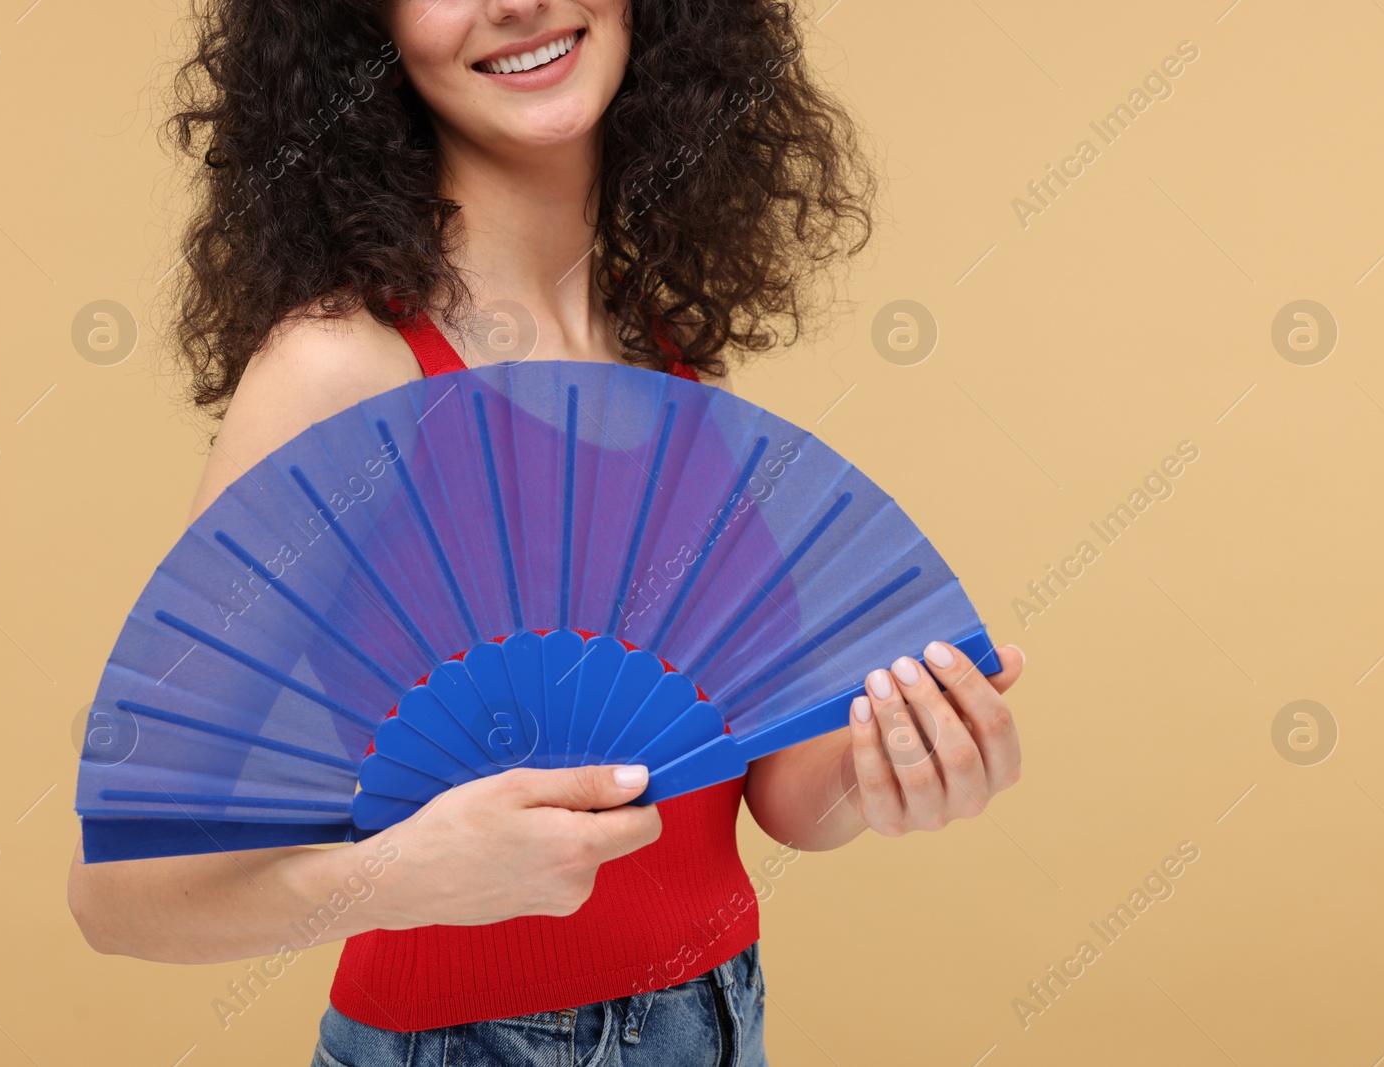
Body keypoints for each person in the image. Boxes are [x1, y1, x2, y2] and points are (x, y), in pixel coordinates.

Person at [66, 1, 1026, 1063]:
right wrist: (402, 877)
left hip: (720, 1021)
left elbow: (781, 791)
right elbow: (119, 895)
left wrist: (904, 755)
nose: (515, 1)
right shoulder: (341, 369)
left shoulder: (661, 355)